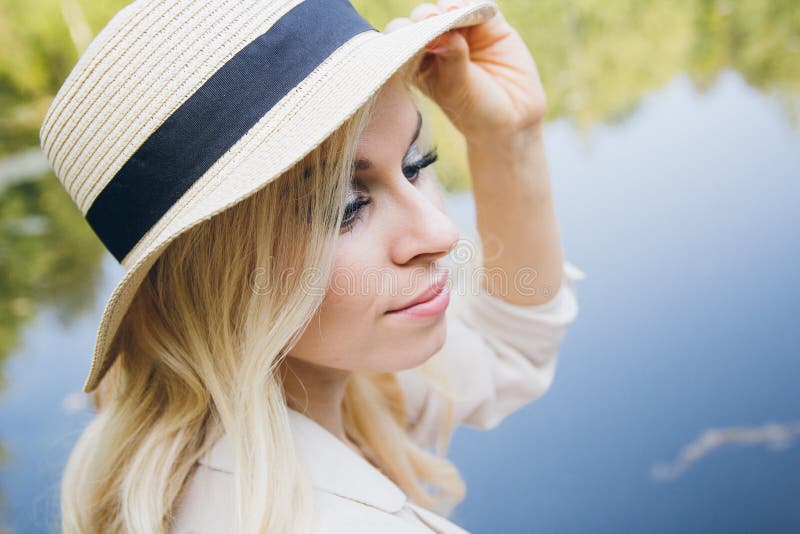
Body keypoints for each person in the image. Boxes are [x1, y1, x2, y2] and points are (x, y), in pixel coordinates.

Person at [40, 0, 584, 532]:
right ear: (209, 279)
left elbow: (507, 349)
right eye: (344, 207)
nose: (441, 235)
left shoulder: (269, 405)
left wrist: (510, 139)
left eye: (417, 163)